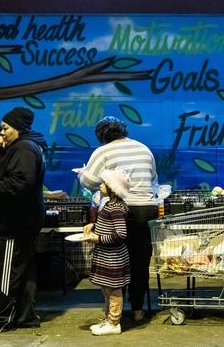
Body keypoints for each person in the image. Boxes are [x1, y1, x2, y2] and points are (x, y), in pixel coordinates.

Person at [78, 116, 158, 322]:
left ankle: (116, 313)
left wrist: (82, 173)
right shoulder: (144, 148)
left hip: (119, 210)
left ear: (101, 136)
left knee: (115, 261)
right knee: (140, 261)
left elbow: (89, 181)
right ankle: (139, 310)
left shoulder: (103, 151)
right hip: (147, 210)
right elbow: (154, 180)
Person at [0, 107, 47, 332]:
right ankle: (25, 317)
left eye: (5, 128)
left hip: (12, 223)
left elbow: (21, 183)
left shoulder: (24, 149)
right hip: (21, 221)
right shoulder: (18, 146)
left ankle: (2, 321)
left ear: (18, 128)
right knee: (22, 271)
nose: (2, 132)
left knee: (7, 274)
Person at [83, 169, 131, 336]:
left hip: (113, 257)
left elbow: (120, 234)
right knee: (107, 289)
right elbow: (108, 226)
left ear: (113, 188)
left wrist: (98, 239)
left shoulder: (116, 208)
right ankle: (109, 319)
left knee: (113, 290)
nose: (101, 185)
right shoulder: (109, 204)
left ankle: (114, 323)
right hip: (106, 255)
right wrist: (93, 225)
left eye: (104, 183)